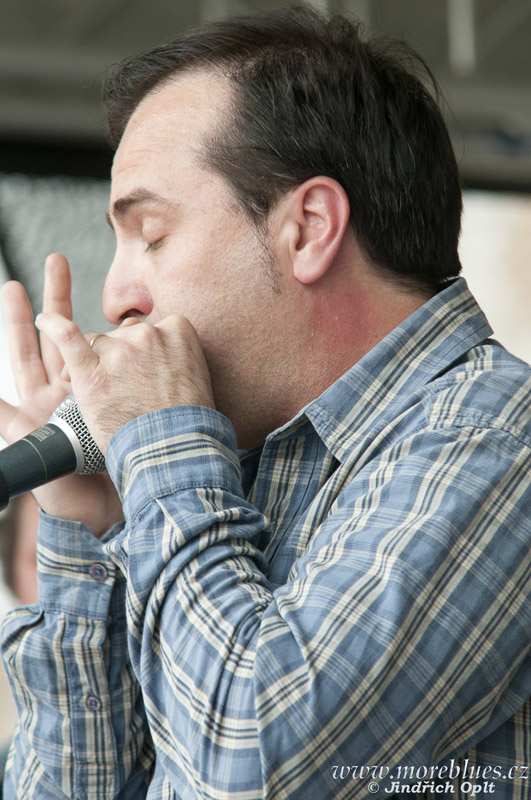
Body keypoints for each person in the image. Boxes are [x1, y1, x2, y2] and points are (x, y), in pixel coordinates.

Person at [0, 6, 529, 798]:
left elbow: (252, 771)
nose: (114, 296)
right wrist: (89, 533)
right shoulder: (224, 475)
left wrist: (164, 447)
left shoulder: (492, 439)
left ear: (308, 228)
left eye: (151, 235)